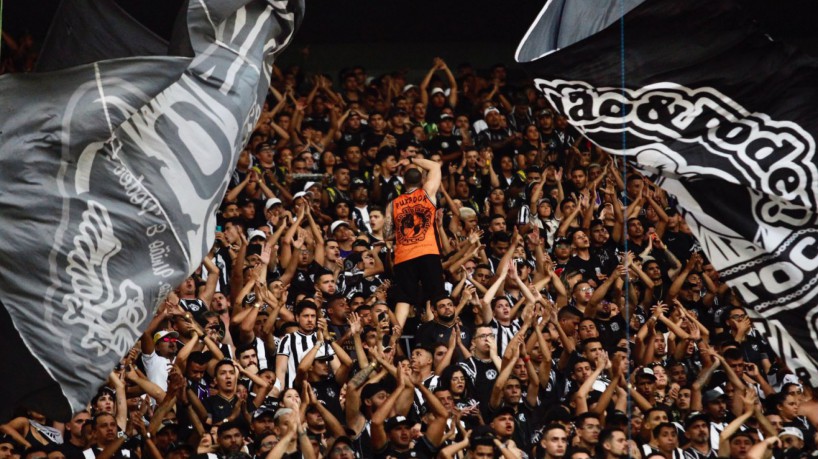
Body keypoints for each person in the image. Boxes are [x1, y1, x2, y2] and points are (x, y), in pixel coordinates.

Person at [384, 154, 443, 327]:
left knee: (404, 298)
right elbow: (435, 166)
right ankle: (436, 332)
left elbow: (387, 233)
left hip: (404, 256)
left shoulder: (393, 204)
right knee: (435, 294)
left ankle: (396, 335)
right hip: (428, 251)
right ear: (421, 179)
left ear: (403, 182)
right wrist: (411, 160)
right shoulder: (427, 193)